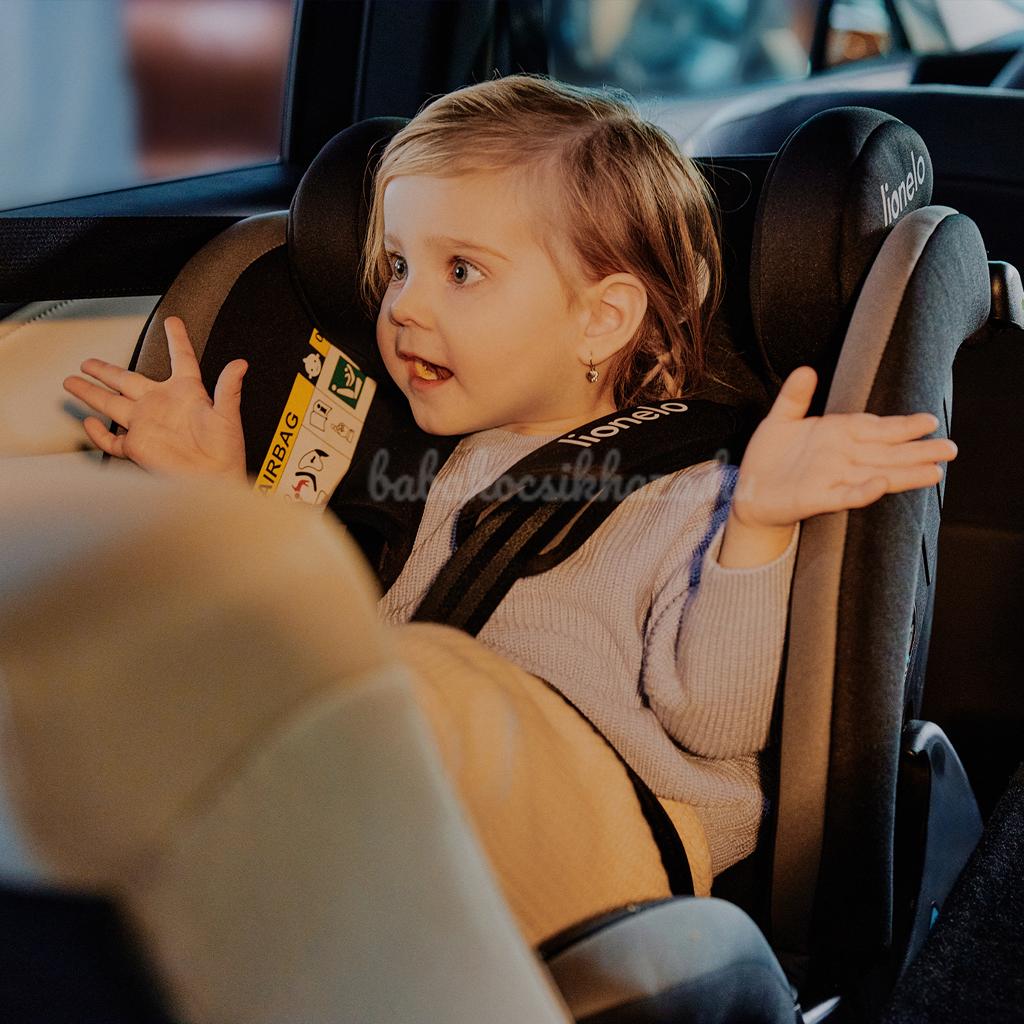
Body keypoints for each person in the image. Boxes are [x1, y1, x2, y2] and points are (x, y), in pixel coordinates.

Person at [59, 74, 956, 948]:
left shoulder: (704, 492)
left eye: (461, 271)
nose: (403, 307)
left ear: (601, 320)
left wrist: (758, 526)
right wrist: (224, 497)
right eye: (398, 266)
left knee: (379, 687)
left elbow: (717, 721)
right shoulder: (461, 465)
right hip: (433, 814)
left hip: (619, 859)